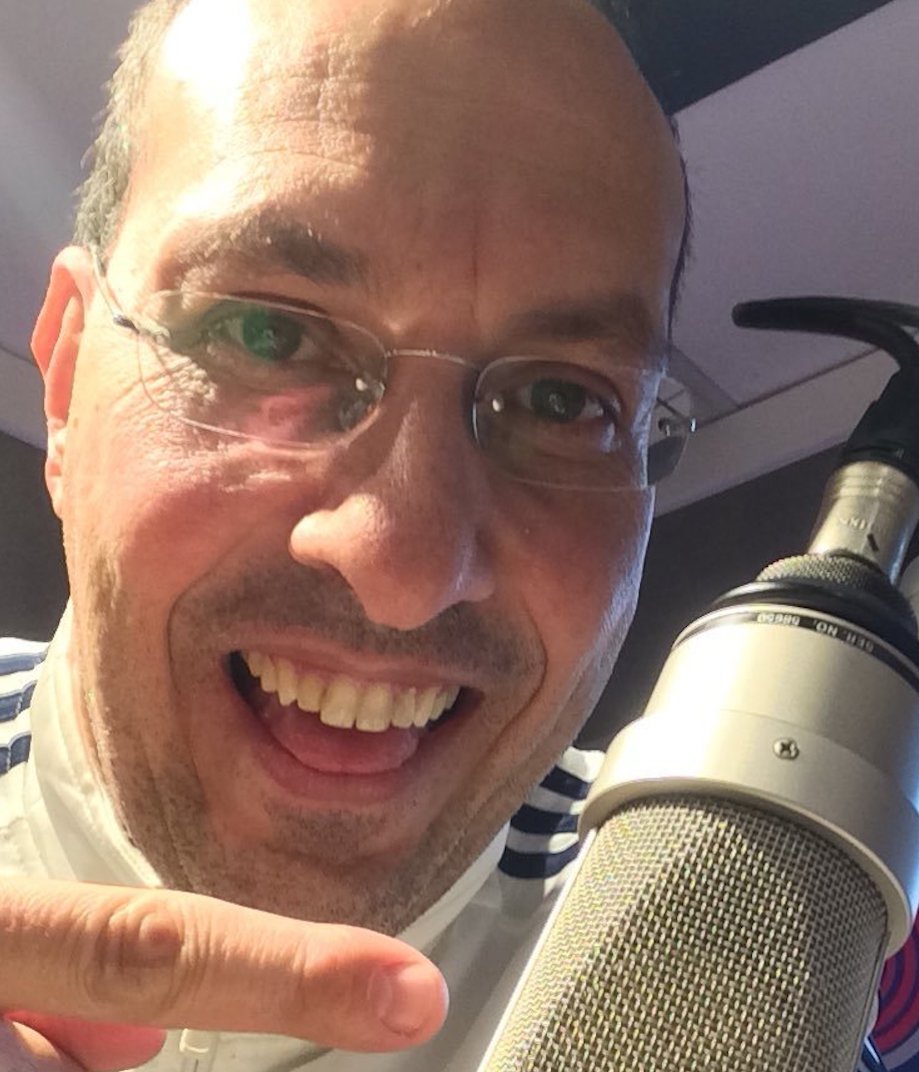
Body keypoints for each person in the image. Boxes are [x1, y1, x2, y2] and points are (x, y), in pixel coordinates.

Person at [0, 0, 690, 1067]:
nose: (402, 567)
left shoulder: (726, 969)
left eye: (563, 400)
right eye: (268, 333)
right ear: (65, 386)